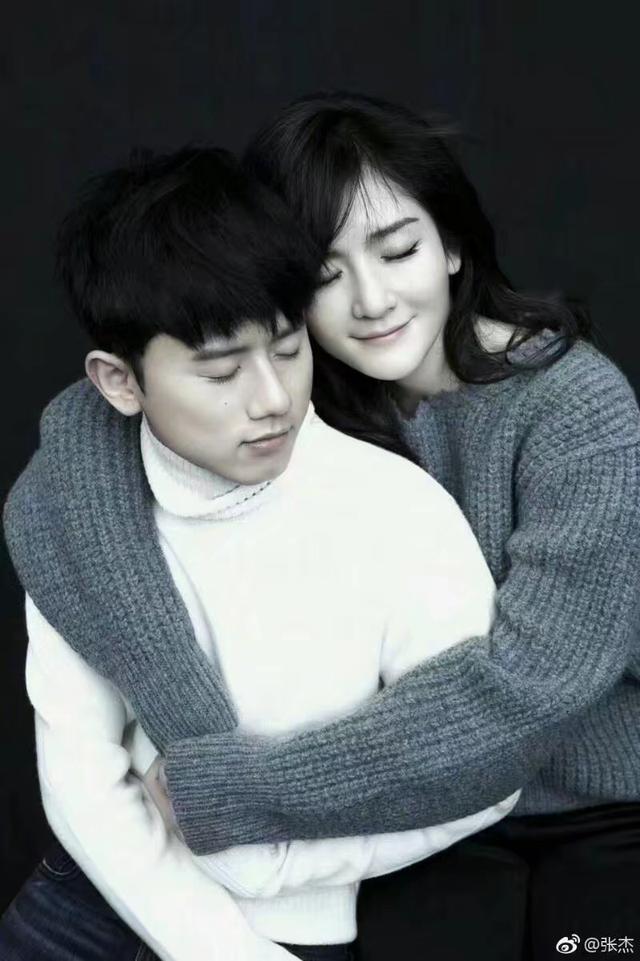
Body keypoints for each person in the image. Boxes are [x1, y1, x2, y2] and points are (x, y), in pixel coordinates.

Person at [33, 92, 639, 961]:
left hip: (602, 807)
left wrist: (238, 791)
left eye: (399, 250)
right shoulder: (294, 393)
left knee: (597, 950)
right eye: (324, 273)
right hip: (407, 820)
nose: (372, 299)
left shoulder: (577, 407)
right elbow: (105, 414)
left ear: (452, 245)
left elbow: (532, 687)